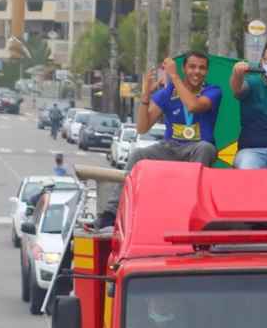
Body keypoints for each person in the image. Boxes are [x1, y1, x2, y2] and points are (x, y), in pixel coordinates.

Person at [95, 52, 222, 228]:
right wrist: (146, 94)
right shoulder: (168, 93)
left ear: (207, 71)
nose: (197, 72)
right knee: (139, 154)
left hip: (196, 149)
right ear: (185, 68)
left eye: (202, 68)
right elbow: (142, 127)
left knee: (206, 148)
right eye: (192, 67)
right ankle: (111, 212)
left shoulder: (213, 91)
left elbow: (193, 106)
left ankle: (192, 210)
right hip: (170, 147)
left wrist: (174, 77)